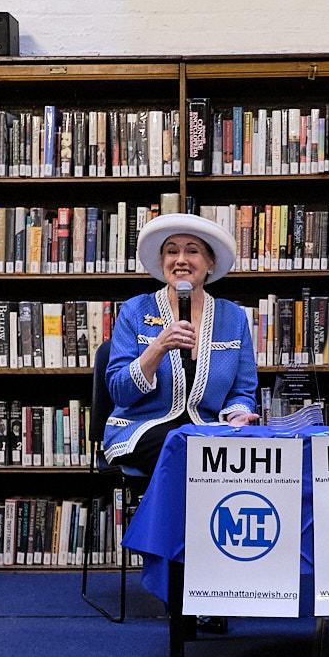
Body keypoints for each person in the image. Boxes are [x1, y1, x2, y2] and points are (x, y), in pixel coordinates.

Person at [103, 213, 260, 633]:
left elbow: (243, 389)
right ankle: (186, 589)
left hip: (209, 430)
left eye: (192, 251)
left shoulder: (232, 318)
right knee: (183, 452)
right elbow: (119, 390)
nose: (180, 259)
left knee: (226, 458)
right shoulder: (136, 311)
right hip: (141, 428)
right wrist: (156, 348)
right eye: (171, 251)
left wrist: (237, 414)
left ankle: (220, 582)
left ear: (210, 263)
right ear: (161, 262)